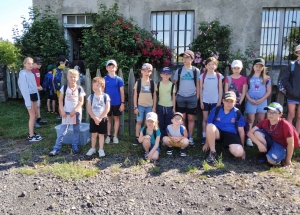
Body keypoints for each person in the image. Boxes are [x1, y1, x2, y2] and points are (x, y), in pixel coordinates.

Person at [247, 102, 299, 166]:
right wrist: (259, 144)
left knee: (271, 161)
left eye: (274, 112)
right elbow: (250, 133)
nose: (270, 114)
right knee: (257, 132)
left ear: (280, 114)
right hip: (270, 142)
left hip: (281, 146)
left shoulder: (285, 125)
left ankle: (282, 157)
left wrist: (288, 161)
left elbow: (291, 143)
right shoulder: (265, 121)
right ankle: (264, 154)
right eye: (269, 112)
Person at [49, 69, 86, 156]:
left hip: (76, 113)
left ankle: (75, 145)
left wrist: (75, 110)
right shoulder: (64, 88)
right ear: (67, 77)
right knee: (63, 130)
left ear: (77, 78)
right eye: (71, 77)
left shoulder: (80, 89)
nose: (73, 79)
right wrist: (62, 110)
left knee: (76, 129)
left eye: (74, 77)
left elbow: (81, 101)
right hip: (66, 113)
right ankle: (57, 147)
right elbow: (60, 100)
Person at [202, 91, 246, 163]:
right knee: (210, 126)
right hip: (218, 133)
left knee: (239, 153)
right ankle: (213, 152)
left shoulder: (237, 113)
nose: (229, 103)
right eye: (227, 101)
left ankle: (228, 147)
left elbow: (241, 131)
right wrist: (207, 143)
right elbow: (209, 126)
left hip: (231, 134)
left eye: (231, 101)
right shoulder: (216, 110)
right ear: (223, 101)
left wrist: (243, 147)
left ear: (235, 102)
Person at [173, 50, 200, 147]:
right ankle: (184, 137)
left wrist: (197, 97)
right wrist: (176, 96)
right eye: (183, 58)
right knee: (183, 118)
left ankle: (190, 137)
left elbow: (198, 85)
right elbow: (175, 84)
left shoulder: (195, 71)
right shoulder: (179, 71)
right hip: (181, 97)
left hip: (192, 97)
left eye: (187, 57)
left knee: (191, 118)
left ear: (192, 59)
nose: (184, 59)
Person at [245, 58, 271, 146]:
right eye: (256, 66)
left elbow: (268, 91)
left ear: (263, 68)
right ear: (253, 67)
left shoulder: (266, 79)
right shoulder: (248, 78)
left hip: (262, 101)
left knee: (261, 120)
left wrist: (261, 99)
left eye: (260, 66)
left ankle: (259, 137)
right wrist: (250, 99)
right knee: (250, 119)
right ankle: (249, 137)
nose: (258, 68)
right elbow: (245, 91)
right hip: (251, 100)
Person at [199, 56, 224, 145]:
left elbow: (220, 89)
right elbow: (201, 89)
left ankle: (213, 136)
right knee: (205, 119)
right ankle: (204, 136)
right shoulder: (202, 76)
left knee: (214, 119)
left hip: (215, 101)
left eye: (213, 64)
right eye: (209, 64)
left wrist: (219, 101)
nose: (211, 66)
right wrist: (201, 101)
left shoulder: (218, 76)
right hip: (205, 100)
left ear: (216, 66)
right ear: (205, 66)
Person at [18, 57, 43, 142]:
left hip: (34, 95)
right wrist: (28, 102)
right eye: (28, 63)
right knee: (32, 115)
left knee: (35, 114)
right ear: (24, 64)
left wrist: (37, 90)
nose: (30, 65)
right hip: (29, 97)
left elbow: (33, 87)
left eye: (32, 63)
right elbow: (24, 89)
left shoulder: (31, 74)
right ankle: (31, 135)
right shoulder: (23, 74)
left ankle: (32, 132)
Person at [132, 63, 157, 145]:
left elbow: (154, 95)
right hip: (140, 106)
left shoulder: (152, 83)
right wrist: (135, 107)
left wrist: (154, 107)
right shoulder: (138, 82)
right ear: (141, 71)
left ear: (151, 73)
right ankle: (137, 137)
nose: (146, 73)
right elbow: (135, 95)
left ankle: (147, 137)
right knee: (139, 122)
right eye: (145, 71)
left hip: (149, 106)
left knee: (148, 122)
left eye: (148, 71)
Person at [86, 77, 111, 158]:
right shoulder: (91, 97)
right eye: (93, 85)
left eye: (97, 85)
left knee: (101, 135)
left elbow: (107, 109)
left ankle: (101, 149)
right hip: (93, 119)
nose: (95, 87)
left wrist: (100, 118)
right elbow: (89, 109)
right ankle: (93, 148)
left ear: (102, 87)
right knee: (93, 134)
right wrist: (95, 118)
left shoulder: (105, 96)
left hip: (102, 119)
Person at [103, 59, 125, 144]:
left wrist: (122, 103)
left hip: (117, 103)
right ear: (107, 68)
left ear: (116, 68)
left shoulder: (119, 79)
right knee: (108, 119)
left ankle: (115, 136)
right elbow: (102, 91)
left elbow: (122, 91)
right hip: (107, 103)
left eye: (113, 67)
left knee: (116, 118)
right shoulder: (104, 79)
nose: (111, 69)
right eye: (109, 67)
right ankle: (108, 135)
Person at [280, 44, 300, 135]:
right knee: (291, 115)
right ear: (297, 53)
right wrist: (291, 91)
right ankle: (289, 135)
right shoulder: (291, 66)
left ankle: (297, 137)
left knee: (299, 117)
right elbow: (284, 80)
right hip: (292, 96)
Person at [156, 67, 176, 140]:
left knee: (168, 123)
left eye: (167, 74)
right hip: (160, 106)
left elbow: (174, 97)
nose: (166, 75)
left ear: (170, 75)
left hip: (169, 106)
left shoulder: (172, 85)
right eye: (164, 74)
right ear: (161, 75)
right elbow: (156, 96)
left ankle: (168, 137)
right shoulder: (158, 84)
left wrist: (174, 107)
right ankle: (161, 137)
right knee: (161, 123)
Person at [31, 57, 47, 128]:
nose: (39, 65)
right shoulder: (31, 71)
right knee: (33, 106)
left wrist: (39, 86)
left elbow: (37, 81)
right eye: (38, 63)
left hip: (36, 90)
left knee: (38, 105)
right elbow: (30, 83)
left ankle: (39, 118)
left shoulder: (37, 71)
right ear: (33, 63)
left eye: (41, 63)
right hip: (32, 91)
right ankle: (33, 122)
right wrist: (36, 87)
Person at [52, 55, 67, 120]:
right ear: (65, 61)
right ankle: (66, 115)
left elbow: (53, 80)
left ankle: (60, 115)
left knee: (60, 101)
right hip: (66, 89)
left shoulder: (55, 70)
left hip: (58, 89)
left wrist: (54, 88)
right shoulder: (68, 69)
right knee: (66, 101)